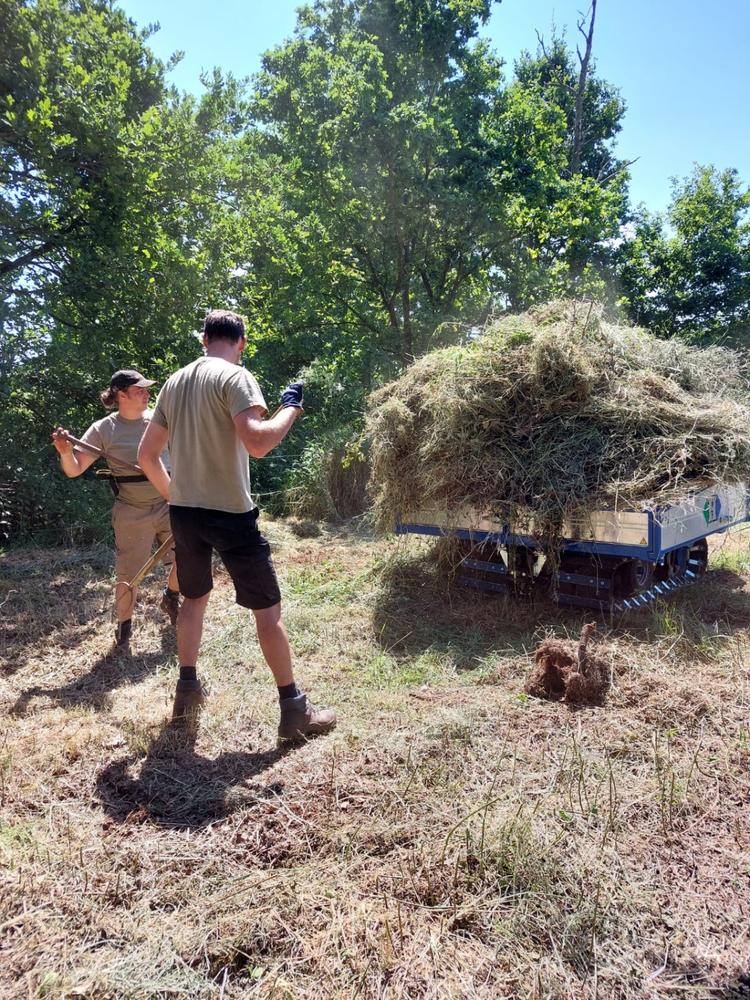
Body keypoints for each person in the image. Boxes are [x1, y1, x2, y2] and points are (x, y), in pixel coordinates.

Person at [138, 310, 336, 741]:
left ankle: (186, 693)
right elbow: (260, 442)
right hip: (230, 513)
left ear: (204, 338)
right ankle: (294, 710)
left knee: (192, 600)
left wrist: (177, 496)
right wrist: (291, 408)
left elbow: (146, 456)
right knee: (268, 613)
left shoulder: (174, 382)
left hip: (186, 514)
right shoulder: (235, 377)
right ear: (241, 343)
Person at [51, 370, 180, 648]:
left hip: (170, 503)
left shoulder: (160, 420)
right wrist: (64, 451)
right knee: (129, 575)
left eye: (147, 389)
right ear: (121, 394)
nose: (147, 393)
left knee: (189, 559)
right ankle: (124, 629)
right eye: (139, 390)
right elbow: (74, 469)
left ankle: (171, 596)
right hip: (132, 511)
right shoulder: (103, 429)